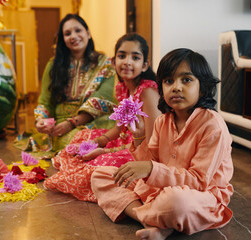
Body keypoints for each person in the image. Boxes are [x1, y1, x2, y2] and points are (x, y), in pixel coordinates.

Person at [91, 48, 234, 240]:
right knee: (101, 175)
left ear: (203, 87)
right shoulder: (162, 121)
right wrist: (139, 138)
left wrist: (151, 170)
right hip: (159, 190)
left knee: (177, 201)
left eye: (186, 80)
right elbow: (151, 164)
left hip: (200, 195)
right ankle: (153, 221)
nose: (176, 87)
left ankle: (150, 215)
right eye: (168, 81)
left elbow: (199, 181)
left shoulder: (212, 125)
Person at [43, 33, 162, 202]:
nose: (127, 61)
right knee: (81, 138)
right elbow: (120, 128)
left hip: (141, 152)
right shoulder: (124, 88)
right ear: (113, 62)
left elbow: (150, 144)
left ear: (144, 65)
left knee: (94, 168)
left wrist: (106, 150)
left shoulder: (148, 92)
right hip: (125, 141)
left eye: (135, 57)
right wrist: (98, 142)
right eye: (122, 56)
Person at [14, 14, 117, 159]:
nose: (73, 36)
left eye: (78, 31)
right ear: (63, 40)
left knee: (86, 141)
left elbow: (104, 98)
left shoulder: (106, 64)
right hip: (59, 127)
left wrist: (72, 123)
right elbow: (45, 101)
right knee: (73, 142)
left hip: (93, 122)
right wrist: (40, 122)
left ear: (88, 33)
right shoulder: (53, 65)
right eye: (67, 34)